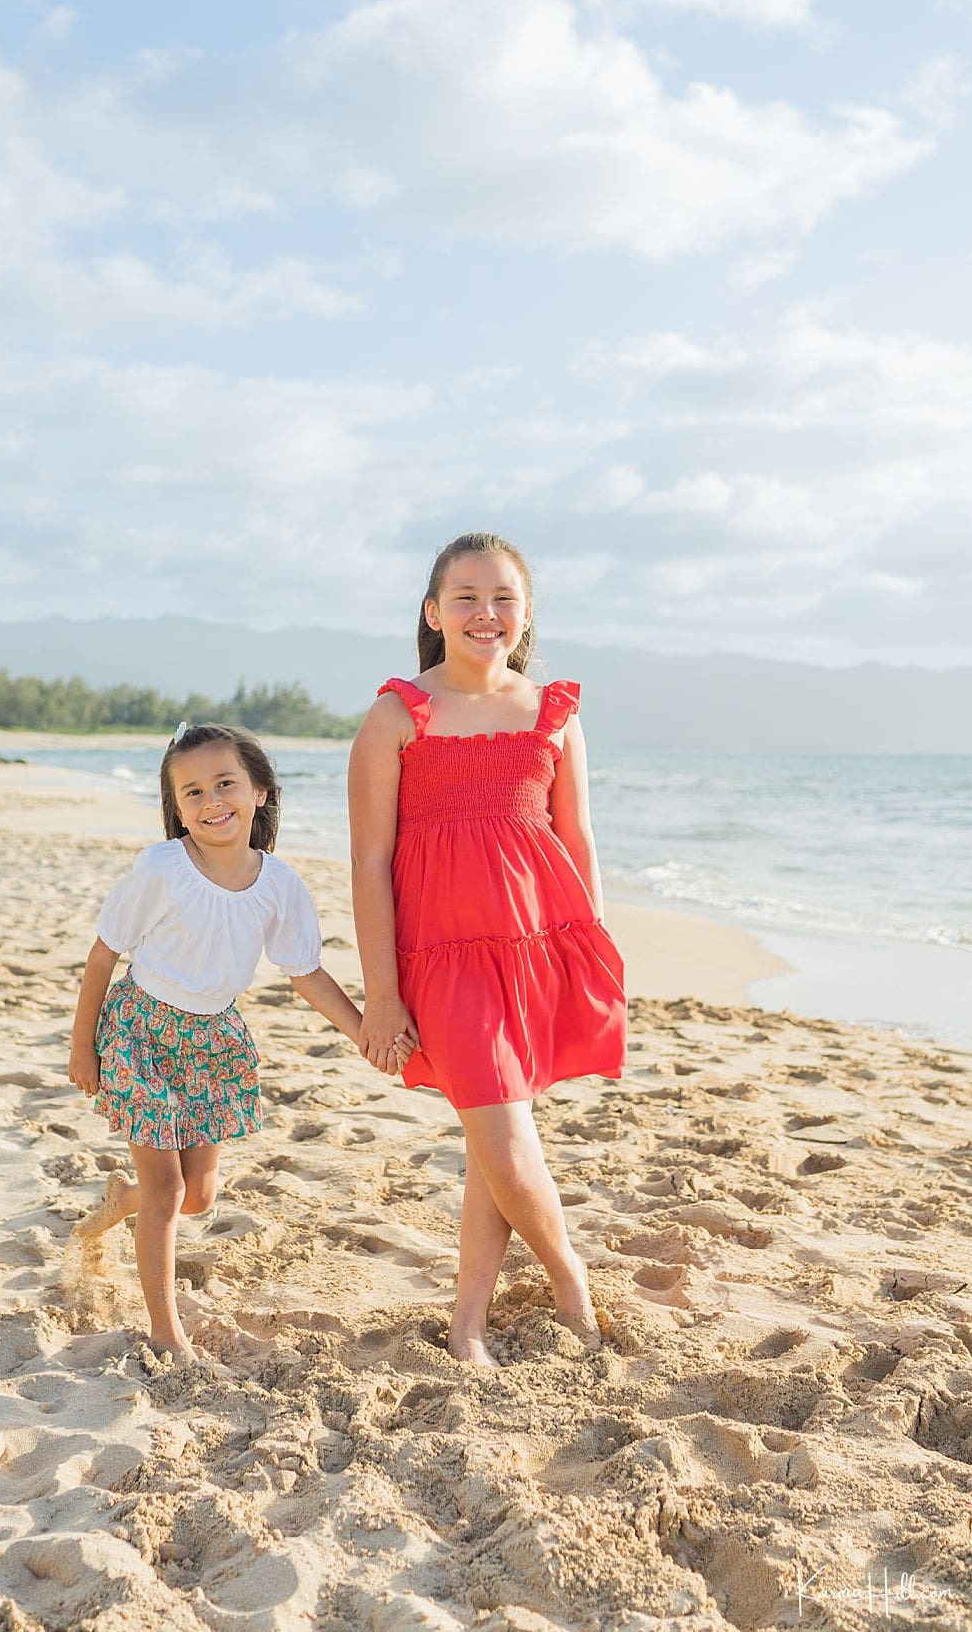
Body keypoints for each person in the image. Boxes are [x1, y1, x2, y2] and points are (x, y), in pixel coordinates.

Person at [348, 531, 626, 1366]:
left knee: (491, 1139)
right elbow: (368, 861)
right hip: (440, 958)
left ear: (527, 612)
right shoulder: (397, 715)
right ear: (433, 612)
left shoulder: (554, 715)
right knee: (505, 1134)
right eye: (465, 596)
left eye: (503, 596)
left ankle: (468, 1319)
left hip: (536, 948)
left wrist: (595, 952)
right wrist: (383, 992)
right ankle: (569, 1277)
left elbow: (577, 841)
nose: (484, 612)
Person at [68, 720, 393, 1364]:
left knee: (197, 1197)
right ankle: (166, 1333)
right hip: (142, 1030)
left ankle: (118, 1202)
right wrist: (85, 1048)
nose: (211, 801)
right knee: (166, 1193)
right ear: (177, 808)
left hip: (215, 1040)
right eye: (192, 793)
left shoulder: (279, 885)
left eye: (225, 784)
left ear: (260, 793)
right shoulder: (162, 867)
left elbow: (304, 972)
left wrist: (362, 1033)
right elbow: (103, 955)